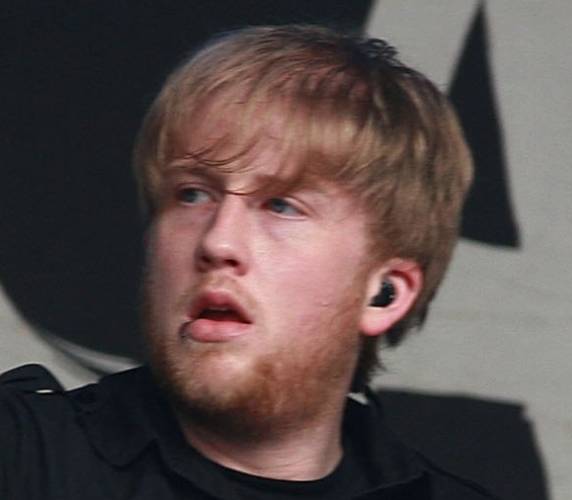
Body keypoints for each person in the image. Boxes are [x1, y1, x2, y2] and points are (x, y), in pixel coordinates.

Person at [0, 25, 495, 499]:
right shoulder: (24, 459)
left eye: (281, 205)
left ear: (384, 294)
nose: (218, 242)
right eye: (193, 194)